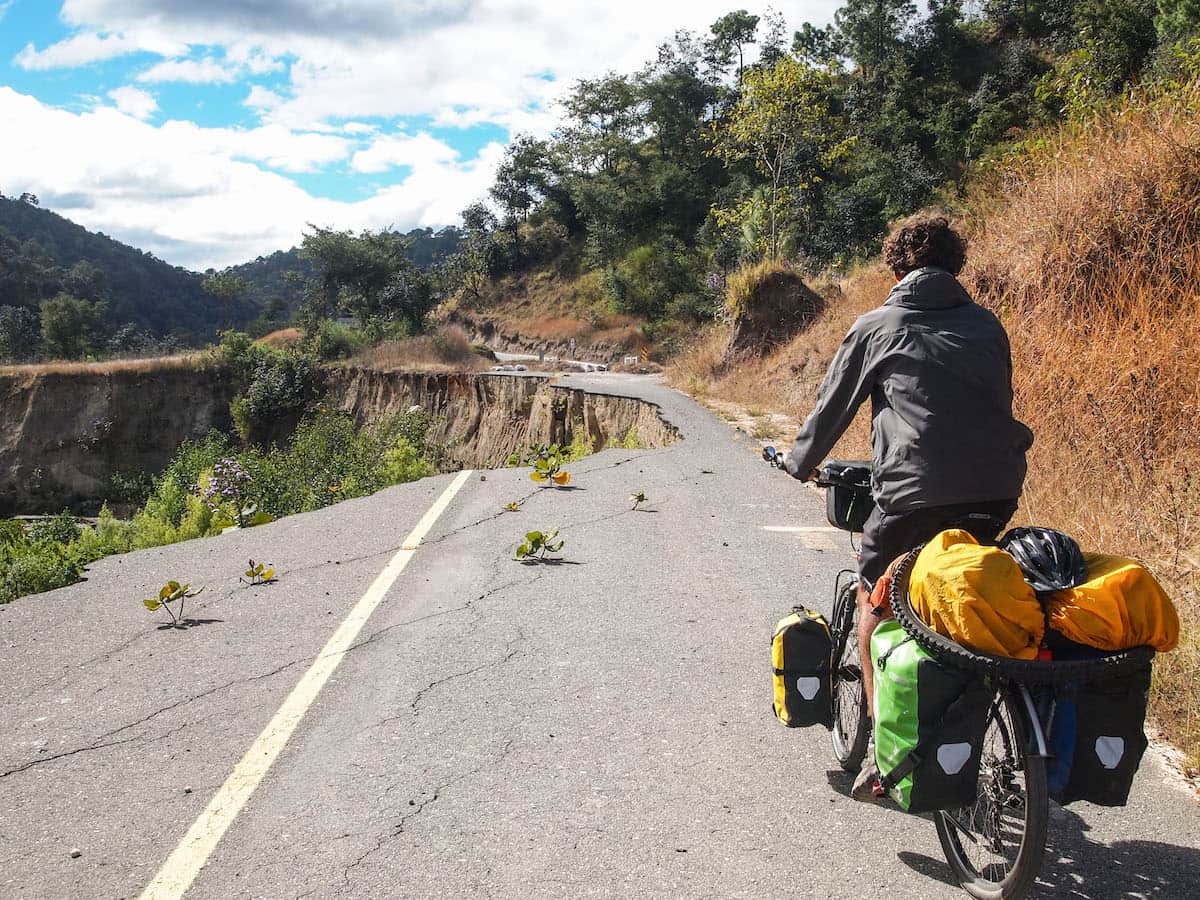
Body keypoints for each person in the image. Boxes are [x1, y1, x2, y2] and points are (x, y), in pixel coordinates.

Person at [783, 213, 1033, 801]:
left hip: (914, 493)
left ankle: (880, 749)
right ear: (955, 266)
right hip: (995, 489)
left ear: (895, 266)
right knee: (962, 581)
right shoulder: (988, 325)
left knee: (878, 596)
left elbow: (832, 409)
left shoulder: (878, 324)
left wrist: (799, 462)